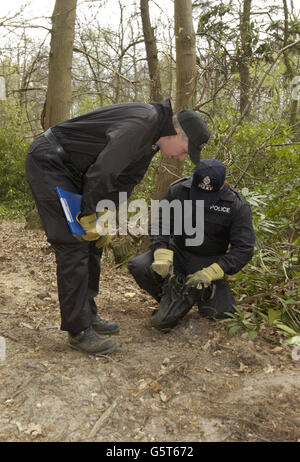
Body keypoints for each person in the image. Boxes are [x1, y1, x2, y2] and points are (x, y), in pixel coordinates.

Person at [25, 99, 210, 355]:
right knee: (74, 242)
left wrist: (104, 216)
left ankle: (87, 314)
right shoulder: (144, 122)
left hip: (78, 171)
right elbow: (104, 171)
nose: (181, 157)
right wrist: (90, 214)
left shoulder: (152, 139)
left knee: (93, 241)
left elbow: (125, 180)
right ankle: (78, 330)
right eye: (184, 151)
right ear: (178, 132)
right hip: (51, 162)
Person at [128, 159, 256, 327]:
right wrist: (160, 251)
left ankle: (193, 296)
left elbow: (244, 248)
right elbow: (161, 222)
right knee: (141, 266)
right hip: (178, 252)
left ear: (222, 185)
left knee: (222, 315)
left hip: (209, 261)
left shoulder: (237, 205)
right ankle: (173, 297)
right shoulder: (178, 190)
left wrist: (215, 270)